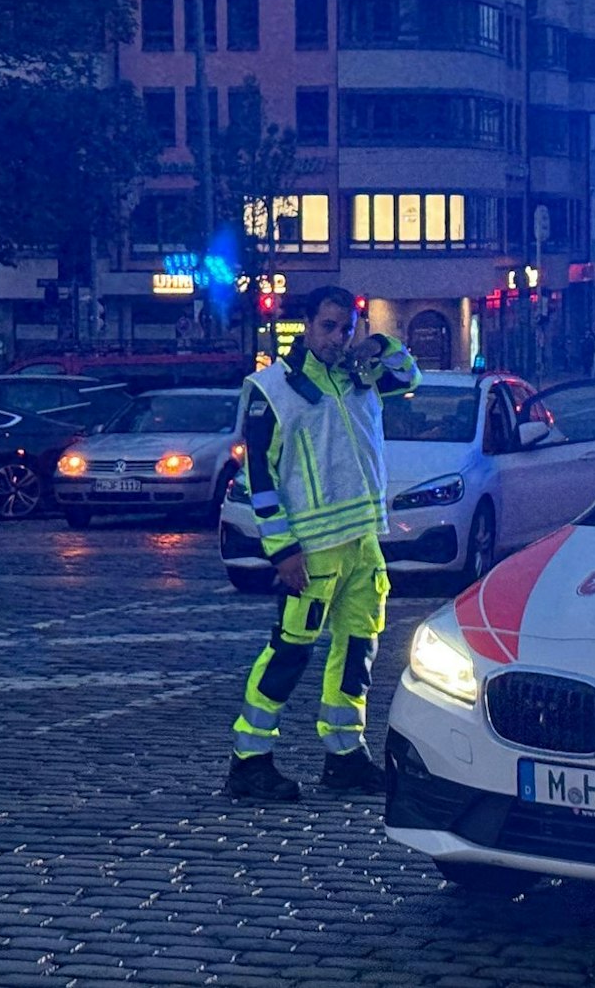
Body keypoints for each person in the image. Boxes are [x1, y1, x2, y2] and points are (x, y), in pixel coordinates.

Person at [225, 286, 421, 802]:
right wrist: (283, 550)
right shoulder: (273, 390)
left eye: (347, 327)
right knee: (289, 653)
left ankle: (345, 756)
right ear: (306, 326)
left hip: (361, 542)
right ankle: (249, 760)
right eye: (330, 326)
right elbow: (259, 479)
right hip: (310, 549)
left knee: (358, 652)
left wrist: (376, 346)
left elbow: (409, 375)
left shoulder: (361, 376)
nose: (339, 337)